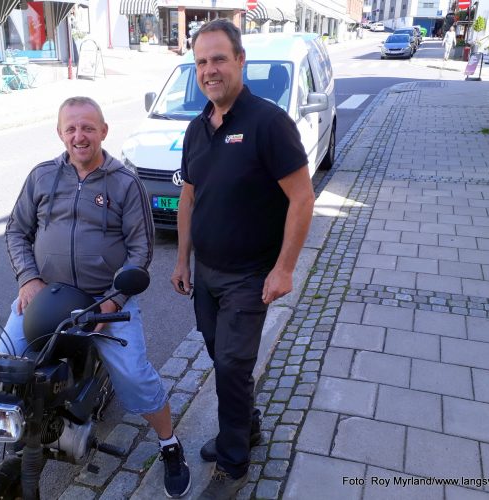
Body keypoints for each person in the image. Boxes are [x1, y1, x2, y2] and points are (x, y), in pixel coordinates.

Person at [2, 96, 190, 499]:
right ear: (60, 133)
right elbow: (17, 231)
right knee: (5, 360)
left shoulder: (125, 182)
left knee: (135, 377)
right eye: (70, 128)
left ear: (104, 131)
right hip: (46, 295)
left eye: (88, 127)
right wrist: (27, 278)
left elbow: (141, 249)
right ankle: (23, 429)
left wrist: (112, 301)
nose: (79, 135)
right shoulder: (41, 176)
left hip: (101, 302)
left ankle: (169, 444)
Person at [170, 19, 315, 499]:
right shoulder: (196, 128)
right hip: (207, 274)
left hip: (250, 275)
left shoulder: (268, 123)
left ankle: (234, 457)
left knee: (232, 365)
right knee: (220, 355)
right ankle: (246, 423)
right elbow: (190, 196)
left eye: (217, 59)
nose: (209, 70)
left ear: (239, 61)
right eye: (201, 62)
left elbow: (302, 197)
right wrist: (181, 261)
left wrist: (285, 268)